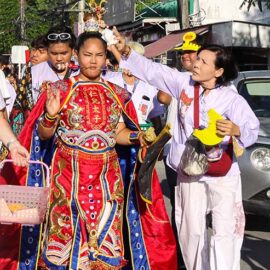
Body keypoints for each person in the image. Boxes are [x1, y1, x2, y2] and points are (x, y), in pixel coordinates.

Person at [0, 31, 177, 270]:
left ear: (106, 58)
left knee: (104, 250)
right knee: (64, 245)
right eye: (87, 55)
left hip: (107, 182)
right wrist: (51, 116)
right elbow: (42, 135)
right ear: (77, 55)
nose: (93, 61)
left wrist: (139, 137)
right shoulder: (60, 89)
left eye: (99, 55)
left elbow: (118, 133)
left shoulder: (118, 93)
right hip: (67, 181)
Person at [113, 30, 260, 270]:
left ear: (218, 71)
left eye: (203, 61)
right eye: (197, 58)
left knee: (226, 230)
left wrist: (235, 129)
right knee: (190, 229)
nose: (196, 64)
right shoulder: (183, 83)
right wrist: (127, 50)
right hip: (189, 169)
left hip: (223, 174)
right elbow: (154, 71)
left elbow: (251, 129)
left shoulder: (232, 99)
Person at [158, 32, 202, 269]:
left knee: (198, 208)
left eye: (191, 52)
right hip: (174, 154)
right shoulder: (177, 78)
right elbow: (162, 97)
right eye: (183, 53)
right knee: (180, 206)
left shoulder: (214, 82)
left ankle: (197, 255)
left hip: (200, 155)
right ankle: (181, 257)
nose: (186, 56)